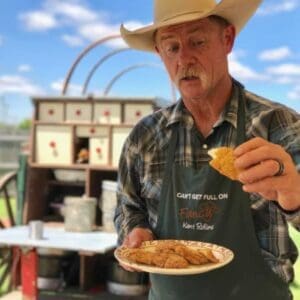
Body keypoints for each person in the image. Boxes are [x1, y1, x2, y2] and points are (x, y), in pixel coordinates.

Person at [114, 0, 300, 299]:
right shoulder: (145, 136)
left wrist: (294, 194)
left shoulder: (278, 124)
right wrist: (137, 234)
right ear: (160, 54)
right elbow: (129, 207)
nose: (184, 58)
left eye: (197, 41)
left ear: (227, 39)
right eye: (171, 47)